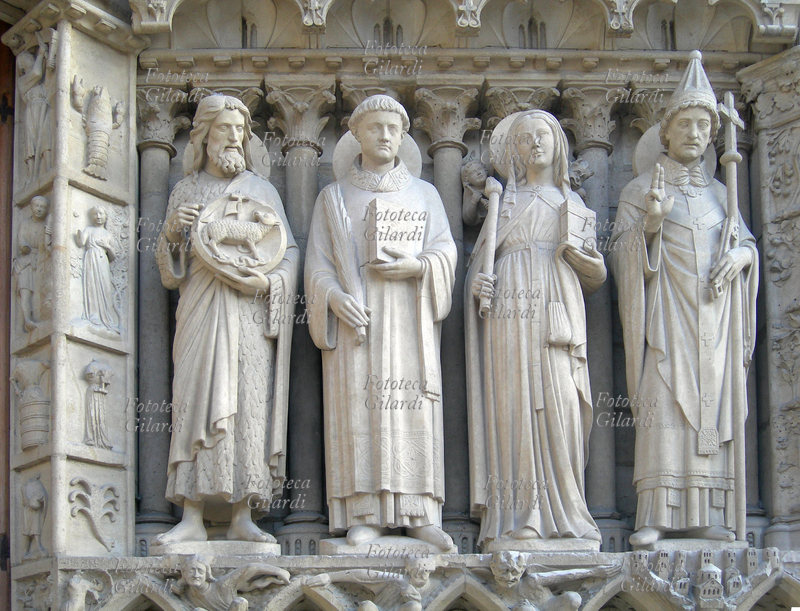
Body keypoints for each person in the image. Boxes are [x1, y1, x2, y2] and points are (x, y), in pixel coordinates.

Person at [609, 52, 758, 546]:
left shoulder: (724, 194)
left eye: (704, 126)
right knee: (665, 406)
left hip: (714, 323)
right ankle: (656, 512)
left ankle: (707, 513)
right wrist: (651, 224)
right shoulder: (639, 188)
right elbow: (622, 259)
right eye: (685, 124)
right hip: (666, 321)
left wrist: (742, 259)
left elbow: (746, 244)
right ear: (665, 134)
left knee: (711, 413)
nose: (695, 134)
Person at [305, 95, 457, 550]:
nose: (386, 136)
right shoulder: (332, 198)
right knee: (359, 409)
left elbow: (447, 251)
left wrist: (421, 267)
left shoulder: (425, 194)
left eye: (394, 128)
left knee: (412, 409)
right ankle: (363, 511)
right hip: (359, 325)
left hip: (409, 319)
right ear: (356, 134)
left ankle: (419, 512)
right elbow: (316, 265)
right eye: (375, 128)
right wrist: (332, 298)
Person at [153, 94, 298, 545]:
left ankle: (242, 516)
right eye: (224, 129)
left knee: (247, 405)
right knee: (196, 402)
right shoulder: (186, 191)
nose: (233, 137)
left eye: (240, 130)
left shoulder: (262, 191)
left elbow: (287, 253)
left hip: (249, 312)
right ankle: (190, 516)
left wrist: (269, 284)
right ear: (204, 136)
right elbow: (167, 272)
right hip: (200, 305)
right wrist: (173, 232)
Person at [466, 110, 606, 547]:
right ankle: (519, 517)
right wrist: (478, 284)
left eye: (543, 136)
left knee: (563, 401)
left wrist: (585, 261)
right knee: (514, 407)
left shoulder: (575, 206)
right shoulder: (502, 202)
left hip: (558, 309)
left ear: (558, 144)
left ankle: (568, 513)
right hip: (508, 312)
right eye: (524, 139)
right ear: (513, 151)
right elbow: (478, 266)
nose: (534, 145)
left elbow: (597, 273)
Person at [76, 206, 120, 332]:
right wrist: (79, 234)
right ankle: (93, 314)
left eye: (101, 214)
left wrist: (108, 247)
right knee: (92, 285)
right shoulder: (88, 229)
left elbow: (112, 257)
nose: (98, 217)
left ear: (106, 216)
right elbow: (81, 243)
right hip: (91, 259)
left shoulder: (108, 235)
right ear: (92, 217)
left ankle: (106, 317)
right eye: (95, 214)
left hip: (103, 262)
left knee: (105, 288)